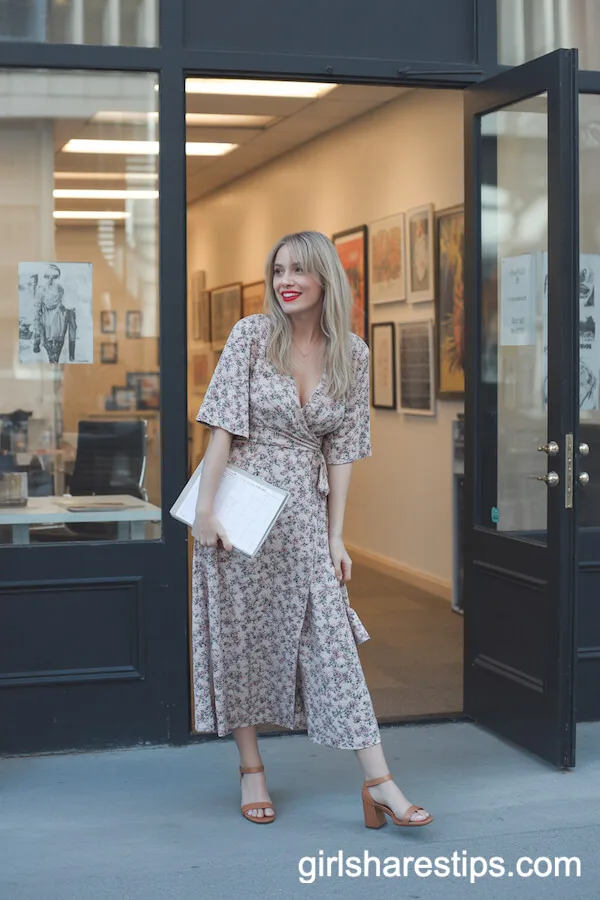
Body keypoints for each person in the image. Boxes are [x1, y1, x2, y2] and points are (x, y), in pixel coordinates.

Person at [191, 231, 433, 829]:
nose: (285, 280)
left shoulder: (354, 352)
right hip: (239, 509)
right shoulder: (251, 336)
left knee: (333, 641)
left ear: (327, 277)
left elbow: (343, 449)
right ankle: (252, 769)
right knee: (240, 639)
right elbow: (221, 426)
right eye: (277, 270)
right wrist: (205, 512)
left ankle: (379, 782)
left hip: (303, 511)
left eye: (298, 269)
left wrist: (336, 535)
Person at [32, 264, 77, 364]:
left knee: (56, 357)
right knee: (52, 357)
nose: (51, 280)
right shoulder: (40, 291)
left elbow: (65, 304)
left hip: (59, 328)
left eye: (55, 277)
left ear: (59, 277)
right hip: (47, 329)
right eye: (47, 276)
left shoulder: (61, 289)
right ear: (44, 277)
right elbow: (36, 314)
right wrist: (37, 339)